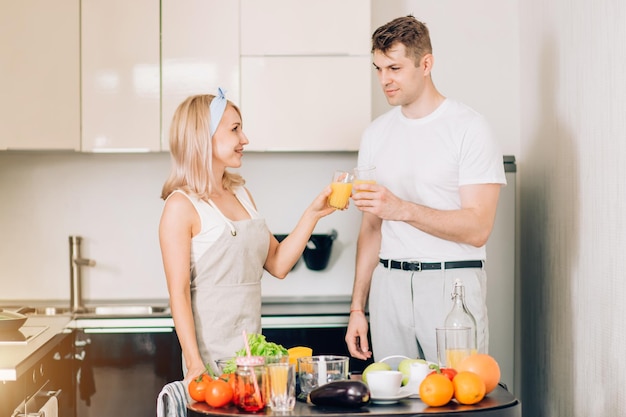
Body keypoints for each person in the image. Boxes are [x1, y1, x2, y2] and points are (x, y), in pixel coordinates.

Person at [345, 16, 507, 364]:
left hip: (450, 283)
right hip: (389, 286)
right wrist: (358, 307)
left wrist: (402, 209)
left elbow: (479, 228)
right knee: (394, 401)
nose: (384, 80)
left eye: (395, 68)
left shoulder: (470, 128)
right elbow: (371, 228)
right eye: (378, 69)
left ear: (426, 64)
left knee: (458, 401)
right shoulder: (374, 135)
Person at [159, 89, 336, 381]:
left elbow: (278, 264)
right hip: (209, 361)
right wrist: (193, 363)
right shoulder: (181, 206)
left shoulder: (242, 194)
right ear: (204, 136)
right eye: (235, 129)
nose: (245, 139)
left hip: (251, 358)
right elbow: (177, 293)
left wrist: (313, 213)